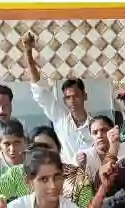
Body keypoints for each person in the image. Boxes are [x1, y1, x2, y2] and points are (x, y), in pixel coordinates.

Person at [0, 126, 93, 208]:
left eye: (47, 147)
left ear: (58, 149)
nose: (43, 153)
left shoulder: (78, 177)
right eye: (37, 148)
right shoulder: (19, 173)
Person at [22, 33, 93, 164]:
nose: (72, 100)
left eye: (76, 96)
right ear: (64, 100)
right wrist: (28, 53)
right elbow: (39, 88)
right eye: (68, 97)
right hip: (65, 177)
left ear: (85, 96)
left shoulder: (96, 126)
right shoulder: (60, 117)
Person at [76, 116, 125, 182]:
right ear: (91, 136)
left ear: (113, 130)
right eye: (95, 133)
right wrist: (81, 168)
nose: (99, 135)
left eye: (104, 130)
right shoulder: (84, 157)